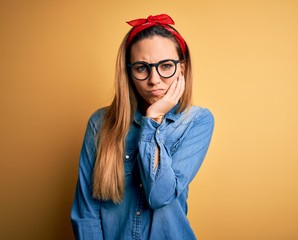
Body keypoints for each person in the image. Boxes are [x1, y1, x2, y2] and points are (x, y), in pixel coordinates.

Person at [70, 14, 214, 240]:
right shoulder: (100, 123)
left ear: (182, 68)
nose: (154, 79)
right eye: (141, 68)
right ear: (128, 72)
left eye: (166, 66)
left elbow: (159, 195)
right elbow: (86, 212)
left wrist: (153, 118)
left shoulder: (197, 121)